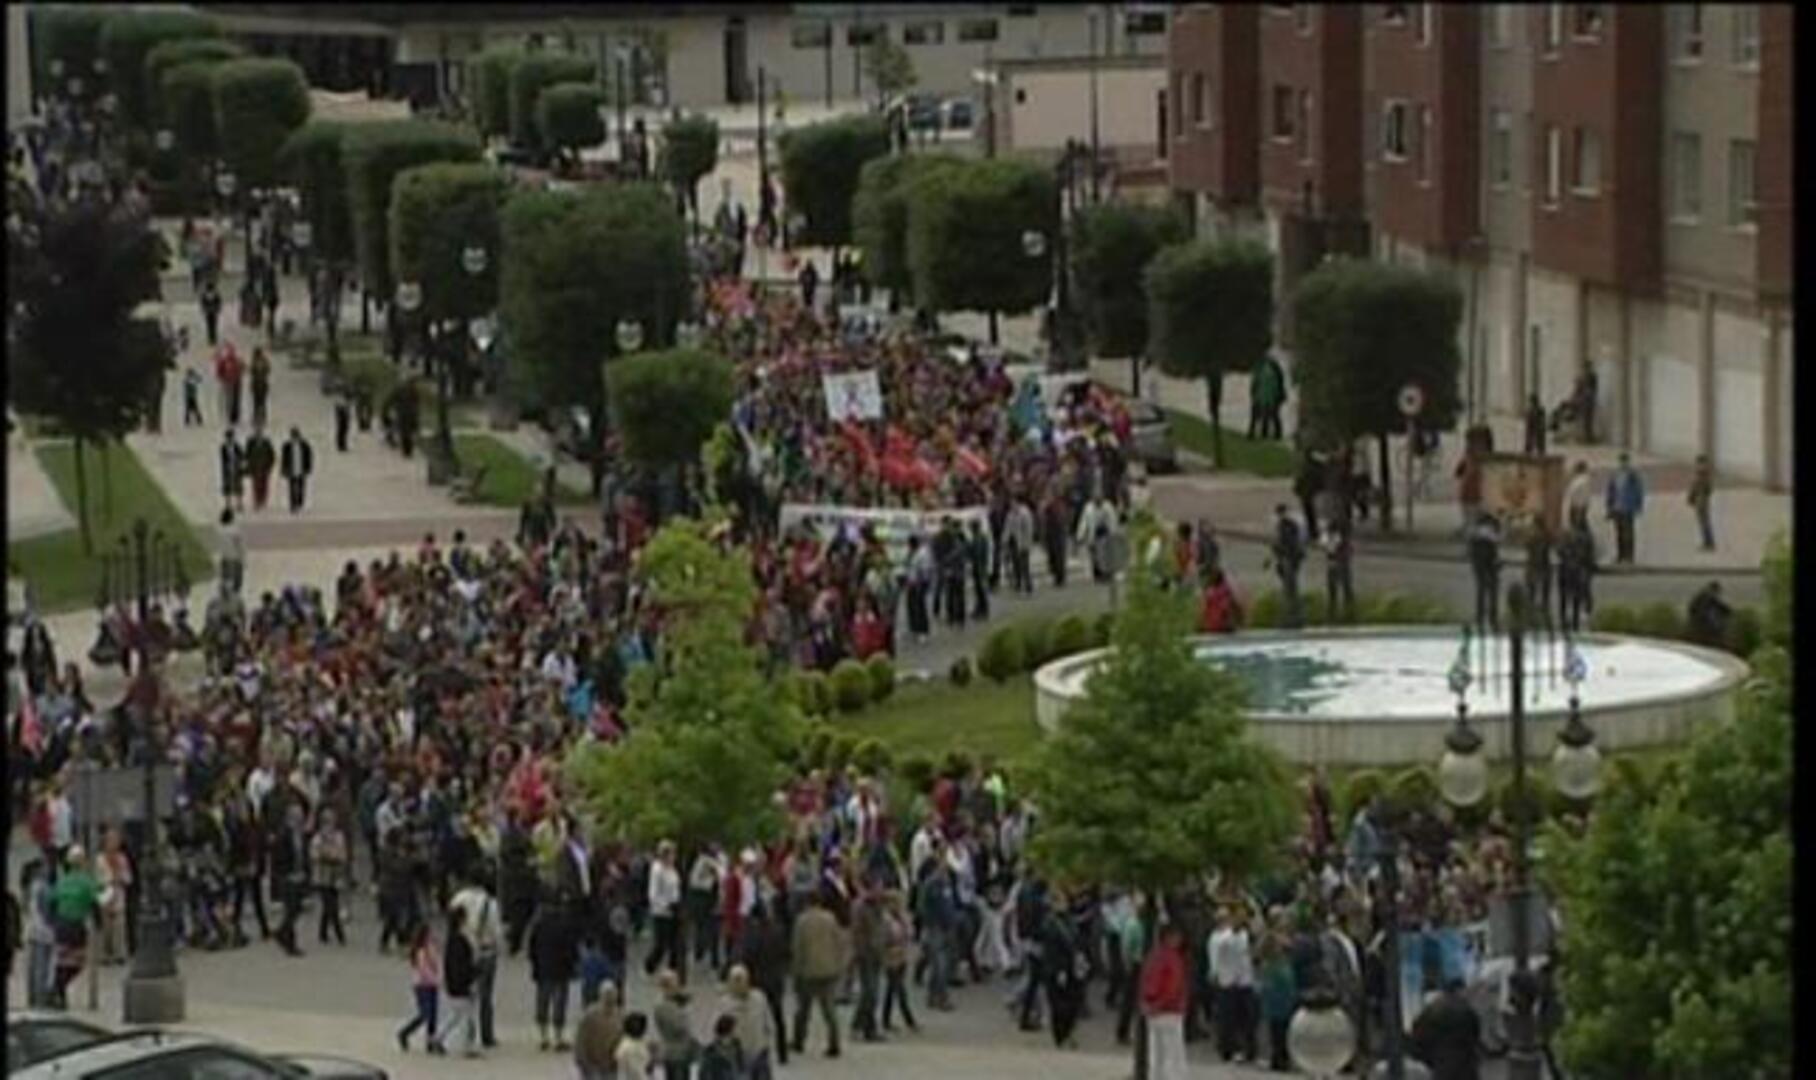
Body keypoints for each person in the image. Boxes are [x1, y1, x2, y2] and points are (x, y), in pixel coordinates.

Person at [449, 872, 503, 1048]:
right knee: (485, 997)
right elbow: (496, 932)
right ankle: (487, 1035)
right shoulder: (491, 904)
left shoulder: (459, 898)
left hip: (465, 950)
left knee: (467, 997)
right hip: (486, 952)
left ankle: (468, 1034)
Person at [790, 891, 844, 1058]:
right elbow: (839, 942)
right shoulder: (831, 919)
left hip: (808, 970)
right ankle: (834, 1043)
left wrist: (796, 971)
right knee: (829, 1009)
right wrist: (838, 964)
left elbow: (798, 948)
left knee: (803, 1009)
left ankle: (799, 1040)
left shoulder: (802, 921)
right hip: (829, 969)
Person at [1207, 907, 1259, 1063]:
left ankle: (1248, 1049)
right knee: (1227, 1018)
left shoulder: (1245, 936)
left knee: (1247, 1017)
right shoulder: (1220, 938)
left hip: (1245, 980)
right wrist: (1215, 973)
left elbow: (1249, 955)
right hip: (1226, 980)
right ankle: (1227, 1049)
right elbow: (1215, 958)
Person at [1141, 923, 1190, 1080]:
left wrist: (1146, 1004)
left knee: (1156, 1055)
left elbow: (1144, 981)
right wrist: (1160, 1005)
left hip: (1152, 1010)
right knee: (1173, 1054)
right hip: (1170, 1010)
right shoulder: (1174, 959)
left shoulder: (1153, 956)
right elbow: (1173, 987)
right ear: (1170, 937)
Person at [1408, 976, 1482, 1080]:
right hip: (1464, 1061)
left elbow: (1418, 1035)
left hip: (1440, 1062)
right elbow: (1475, 1033)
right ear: (1459, 990)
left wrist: (1426, 1057)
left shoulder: (1431, 1009)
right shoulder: (1467, 1010)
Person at [530, 899, 580, 1051]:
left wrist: (535, 965)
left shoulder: (538, 926)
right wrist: (574, 965)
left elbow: (532, 949)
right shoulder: (566, 925)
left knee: (543, 1000)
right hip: (561, 969)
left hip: (544, 968)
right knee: (559, 1003)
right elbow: (572, 948)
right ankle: (558, 1036)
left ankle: (542, 1036)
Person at [436, 906, 483, 1058]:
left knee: (457, 1015)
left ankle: (440, 1038)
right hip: (462, 983)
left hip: (454, 982)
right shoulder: (460, 941)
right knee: (467, 1016)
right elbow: (463, 965)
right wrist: (473, 976)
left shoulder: (452, 940)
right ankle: (466, 1047)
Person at [723, 964, 778, 1080]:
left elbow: (768, 1023)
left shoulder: (759, 998)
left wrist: (766, 1044)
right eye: (735, 981)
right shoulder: (725, 1004)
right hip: (737, 1056)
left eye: (742, 980)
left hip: (759, 1053)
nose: (739, 985)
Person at [396, 922, 444, 1054]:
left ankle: (431, 1041)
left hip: (432, 985)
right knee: (425, 1014)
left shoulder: (431, 948)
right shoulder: (421, 951)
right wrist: (436, 980)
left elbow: (436, 963)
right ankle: (404, 1032)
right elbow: (423, 970)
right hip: (422, 985)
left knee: (433, 1015)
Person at [269, 801, 308, 956]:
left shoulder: (300, 834)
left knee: (296, 909)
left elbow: (302, 855)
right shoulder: (284, 834)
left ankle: (281, 933)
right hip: (287, 876)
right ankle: (290, 943)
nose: (300, 818)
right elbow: (278, 857)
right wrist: (285, 874)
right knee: (291, 909)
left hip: (298, 874)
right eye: (297, 815)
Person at [645, 840, 683, 977]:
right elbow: (653, 893)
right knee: (661, 943)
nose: (674, 857)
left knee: (675, 942)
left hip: (674, 907)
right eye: (671, 854)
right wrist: (664, 905)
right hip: (661, 911)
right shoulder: (657, 870)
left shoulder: (672, 869)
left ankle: (673, 969)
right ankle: (650, 965)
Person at [310, 808, 348, 945]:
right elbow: (315, 855)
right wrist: (328, 855)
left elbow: (343, 855)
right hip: (322, 876)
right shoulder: (318, 838)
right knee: (331, 905)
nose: (329, 824)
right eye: (327, 821)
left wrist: (332, 855)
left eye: (331, 821)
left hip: (335, 876)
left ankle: (323, 932)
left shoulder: (339, 836)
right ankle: (340, 934)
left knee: (329, 904)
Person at [94, 827, 131, 965]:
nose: (114, 844)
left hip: (119, 894)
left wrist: (121, 876)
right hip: (105, 894)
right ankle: (105, 954)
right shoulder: (99, 860)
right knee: (106, 927)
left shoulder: (122, 859)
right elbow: (97, 879)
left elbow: (128, 878)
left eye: (116, 841)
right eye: (111, 841)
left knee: (119, 926)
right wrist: (109, 880)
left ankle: (120, 953)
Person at [654, 968, 700, 1075]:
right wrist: (684, 1008)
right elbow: (679, 1027)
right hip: (674, 1054)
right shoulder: (663, 1006)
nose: (679, 987)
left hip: (683, 1052)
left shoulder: (673, 1001)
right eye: (676, 983)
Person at [1267, 505, 1306, 629]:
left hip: (1288, 560)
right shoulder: (1284, 526)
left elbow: (1285, 545)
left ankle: (1292, 618)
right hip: (1286, 560)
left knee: (1290, 590)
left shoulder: (1287, 527)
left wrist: (1281, 555)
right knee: (1289, 589)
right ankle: (1292, 617)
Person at [574, 979, 623, 1080]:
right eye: (607, 994)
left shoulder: (619, 1015)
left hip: (610, 1065)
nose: (610, 997)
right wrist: (582, 1061)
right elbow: (580, 1040)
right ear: (600, 995)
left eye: (612, 993)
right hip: (591, 1066)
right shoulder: (590, 1015)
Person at [1605, 452, 1646, 565]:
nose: (1623, 463)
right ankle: (1620, 555)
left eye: (1625, 461)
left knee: (1628, 533)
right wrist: (1609, 507)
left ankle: (1629, 556)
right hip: (1617, 507)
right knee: (1619, 533)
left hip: (1628, 507)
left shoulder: (1633, 475)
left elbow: (1639, 491)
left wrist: (1638, 505)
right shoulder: (1615, 474)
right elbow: (1610, 491)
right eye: (1622, 461)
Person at [1558, 521, 1598, 632]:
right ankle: (1576, 621)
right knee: (1578, 596)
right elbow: (1590, 554)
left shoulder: (1567, 535)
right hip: (1579, 570)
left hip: (1569, 569)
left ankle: (1565, 619)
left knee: (1567, 597)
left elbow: (1560, 551)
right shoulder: (1586, 536)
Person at [1468, 513, 1503, 631]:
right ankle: (1492, 619)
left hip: (1481, 567)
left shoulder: (1476, 535)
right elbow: (1494, 547)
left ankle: (1480, 618)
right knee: (1491, 593)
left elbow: (1472, 553)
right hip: (1488, 567)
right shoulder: (1488, 535)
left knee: (1482, 592)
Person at [1323, 522, 1355, 624]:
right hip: (1334, 566)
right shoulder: (1328, 539)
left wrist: (1338, 559)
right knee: (1333, 590)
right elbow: (1327, 550)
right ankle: (1333, 614)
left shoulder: (1341, 540)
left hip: (1340, 566)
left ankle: (1348, 613)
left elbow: (1347, 552)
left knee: (1344, 589)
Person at [1687, 581, 1733, 650]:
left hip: (1698, 618)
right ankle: (1716, 636)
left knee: (1714, 614)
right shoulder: (1709, 595)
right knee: (1715, 621)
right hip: (1703, 619)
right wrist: (1728, 611)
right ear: (1714, 589)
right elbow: (1718, 604)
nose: (1718, 593)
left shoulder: (1704, 594)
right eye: (1717, 591)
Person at [698, 1013, 745, 1080]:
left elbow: (741, 1069)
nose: (736, 1033)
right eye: (734, 1029)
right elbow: (704, 1073)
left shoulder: (737, 1046)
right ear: (730, 1030)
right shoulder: (710, 1050)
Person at [1526, 521, 1555, 627]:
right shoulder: (1543, 536)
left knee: (1533, 595)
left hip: (1536, 568)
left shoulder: (1534, 536)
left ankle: (1533, 617)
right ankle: (1541, 616)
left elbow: (1533, 551)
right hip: (1541, 568)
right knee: (1541, 596)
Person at [280, 427, 314, 513]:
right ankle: (292, 505)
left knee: (301, 487)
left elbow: (309, 457)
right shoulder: (286, 446)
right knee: (291, 488)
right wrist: (284, 469)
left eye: (296, 435)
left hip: (301, 469)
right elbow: (284, 459)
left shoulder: (305, 445)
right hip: (291, 469)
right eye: (293, 435)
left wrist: (308, 468)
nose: (294, 437)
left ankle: (299, 502)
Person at [245, 427, 277, 512]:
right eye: (257, 433)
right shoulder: (251, 443)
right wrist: (249, 465)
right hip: (254, 467)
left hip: (264, 467)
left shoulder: (266, 442)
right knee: (255, 485)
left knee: (264, 484)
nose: (258, 435)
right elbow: (247, 455)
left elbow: (272, 455)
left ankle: (263, 500)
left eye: (259, 433)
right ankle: (256, 501)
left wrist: (270, 465)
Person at [1688, 453, 1715, 551]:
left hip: (1701, 502)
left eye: (1698, 463)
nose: (1696, 465)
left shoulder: (1701, 474)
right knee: (1704, 522)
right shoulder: (1705, 474)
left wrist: (1691, 497)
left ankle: (1708, 543)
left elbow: (1695, 487)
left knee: (1704, 522)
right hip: (1703, 501)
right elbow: (1709, 489)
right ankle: (1708, 542)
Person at [616, 1011, 654, 1078]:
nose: (638, 1027)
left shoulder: (641, 1041)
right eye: (635, 1025)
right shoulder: (627, 1045)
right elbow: (636, 1071)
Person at [215, 341, 243, 426]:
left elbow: (242, 369)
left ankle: (235, 416)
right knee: (228, 400)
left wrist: (239, 373)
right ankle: (229, 416)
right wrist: (222, 378)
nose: (231, 354)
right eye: (229, 352)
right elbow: (219, 370)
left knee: (236, 400)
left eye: (232, 352)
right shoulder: (224, 361)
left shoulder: (237, 361)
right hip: (227, 382)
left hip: (236, 382)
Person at [219, 428, 245, 514]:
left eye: (231, 437)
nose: (229, 439)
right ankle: (228, 505)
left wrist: (238, 462)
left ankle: (239, 504)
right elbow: (223, 459)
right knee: (227, 488)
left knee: (238, 488)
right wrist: (228, 466)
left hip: (236, 469)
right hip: (227, 470)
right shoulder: (223, 447)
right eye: (228, 437)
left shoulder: (237, 446)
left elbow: (242, 456)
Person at [1564, 460, 1594, 531]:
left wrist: (1579, 509)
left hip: (1578, 507)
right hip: (1577, 506)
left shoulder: (1582, 481)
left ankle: (1583, 540)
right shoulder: (1579, 480)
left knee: (1579, 527)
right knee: (1579, 526)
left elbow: (1582, 496)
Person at [249, 346, 272, 428]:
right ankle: (258, 417)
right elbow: (251, 372)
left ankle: (261, 417)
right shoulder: (256, 362)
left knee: (261, 401)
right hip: (258, 384)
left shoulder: (261, 361)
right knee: (257, 402)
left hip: (261, 384)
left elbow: (268, 370)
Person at [199, 277, 223, 346]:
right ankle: (213, 339)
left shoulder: (204, 295)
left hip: (209, 312)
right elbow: (219, 303)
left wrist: (204, 310)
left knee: (210, 326)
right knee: (213, 326)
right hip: (213, 312)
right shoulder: (216, 295)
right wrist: (218, 309)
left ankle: (211, 340)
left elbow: (202, 304)